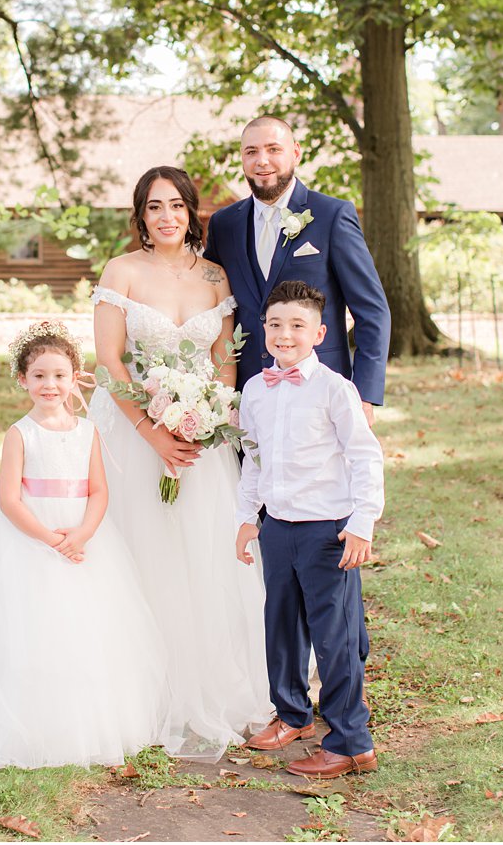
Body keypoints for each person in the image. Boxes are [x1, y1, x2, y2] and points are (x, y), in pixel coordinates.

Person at [90, 165, 274, 760]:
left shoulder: (215, 276)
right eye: (153, 206)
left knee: (207, 557)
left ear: (192, 211)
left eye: (176, 205)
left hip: (202, 436)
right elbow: (111, 364)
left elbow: (224, 359)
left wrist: (208, 417)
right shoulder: (121, 272)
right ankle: (140, 692)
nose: (165, 216)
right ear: (139, 215)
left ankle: (210, 684)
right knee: (143, 554)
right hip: (132, 431)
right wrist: (153, 432)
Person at [0, 322, 167, 768]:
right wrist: (50, 540)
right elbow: (9, 499)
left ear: (74, 378)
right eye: (40, 376)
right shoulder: (19, 434)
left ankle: (88, 721)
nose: (50, 385)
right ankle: (31, 723)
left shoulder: (87, 432)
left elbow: (99, 491)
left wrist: (81, 534)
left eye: (59, 375)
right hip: (31, 543)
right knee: (33, 628)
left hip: (84, 542)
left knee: (88, 628)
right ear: (23, 379)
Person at [233, 281, 385, 778]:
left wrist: (361, 523)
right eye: (275, 324)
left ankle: (349, 741)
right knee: (280, 626)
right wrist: (245, 518)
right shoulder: (255, 390)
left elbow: (364, 456)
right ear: (263, 330)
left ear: (319, 333)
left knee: (334, 636)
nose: (285, 334)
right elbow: (253, 459)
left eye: (297, 325)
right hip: (276, 526)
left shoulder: (335, 389)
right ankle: (293, 715)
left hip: (328, 530)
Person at [202, 116, 390, 423]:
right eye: (251, 152)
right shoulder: (225, 224)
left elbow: (372, 310)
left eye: (273, 149)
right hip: (246, 396)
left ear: (296, 153)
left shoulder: (332, 215)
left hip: (320, 391)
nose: (262, 161)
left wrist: (364, 393)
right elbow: (208, 294)